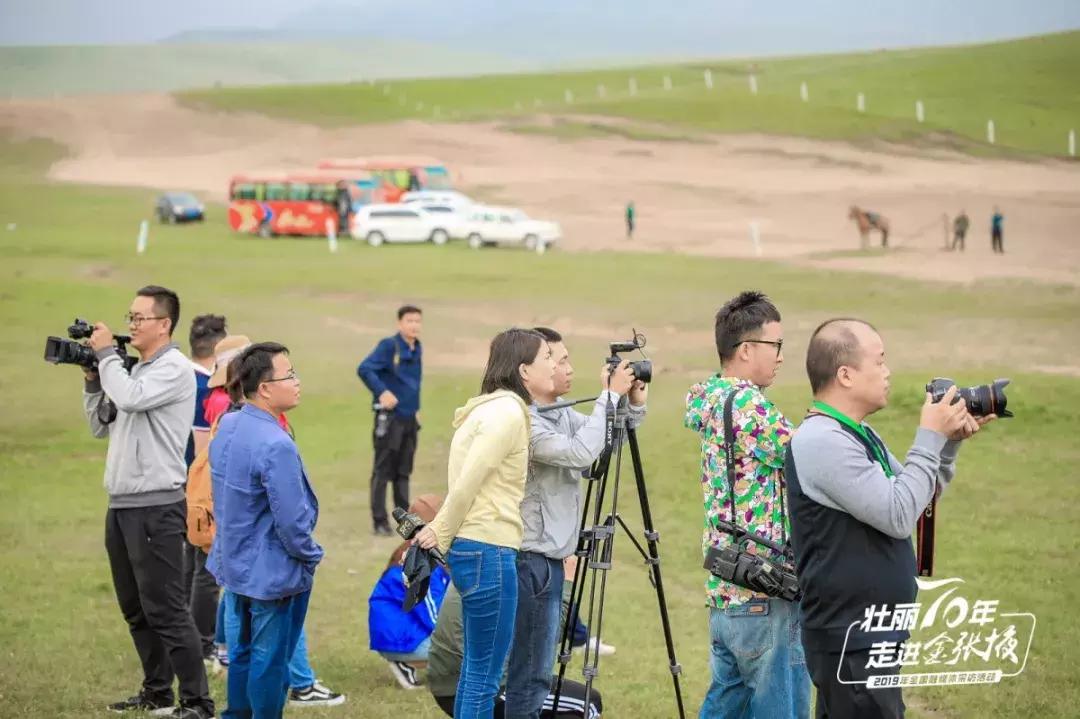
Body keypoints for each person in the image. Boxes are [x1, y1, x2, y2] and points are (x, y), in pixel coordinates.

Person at [786, 319, 994, 718]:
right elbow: (898, 516)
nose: (888, 372)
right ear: (845, 374)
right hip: (851, 636)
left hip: (869, 633)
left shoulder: (856, 433)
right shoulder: (821, 440)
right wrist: (928, 437)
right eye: (879, 361)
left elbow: (914, 497)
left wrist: (945, 446)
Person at [82, 285, 215, 718]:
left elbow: (130, 399)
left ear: (165, 324)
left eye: (140, 318)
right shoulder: (134, 371)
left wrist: (105, 359)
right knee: (136, 608)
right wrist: (91, 380)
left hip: (156, 506)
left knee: (168, 609)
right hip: (121, 504)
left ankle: (197, 702)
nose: (131, 324)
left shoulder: (172, 369)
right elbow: (102, 425)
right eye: (130, 316)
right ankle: (157, 692)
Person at [415, 328, 555, 719]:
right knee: (484, 676)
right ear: (524, 370)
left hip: (477, 548)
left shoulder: (489, 408)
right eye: (547, 357)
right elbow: (469, 480)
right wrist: (438, 532)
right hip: (488, 549)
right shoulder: (508, 413)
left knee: (476, 673)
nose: (554, 364)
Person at [683, 290, 810, 719]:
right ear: (746, 350)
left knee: (725, 705)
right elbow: (808, 458)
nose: (780, 357)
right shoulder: (749, 405)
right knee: (782, 708)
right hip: (764, 588)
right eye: (775, 345)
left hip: (725, 590)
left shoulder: (711, 399)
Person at [505, 327, 644, 719]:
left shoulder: (560, 410)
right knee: (530, 677)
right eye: (556, 359)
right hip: (530, 562)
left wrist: (628, 406)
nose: (564, 367)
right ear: (528, 369)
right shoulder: (527, 421)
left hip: (546, 561)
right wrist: (608, 396)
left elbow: (601, 444)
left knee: (536, 673)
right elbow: (582, 454)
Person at [204, 342, 344, 708]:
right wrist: (310, 555)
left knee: (244, 655)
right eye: (289, 374)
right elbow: (293, 522)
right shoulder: (275, 442)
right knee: (271, 662)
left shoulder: (228, 425)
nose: (297, 381)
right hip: (271, 573)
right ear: (265, 388)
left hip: (235, 563)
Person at [428, 586, 603, 719]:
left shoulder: (475, 558)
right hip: (485, 691)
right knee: (589, 703)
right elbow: (547, 636)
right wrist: (566, 583)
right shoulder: (508, 569)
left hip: (448, 686)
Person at [369, 494, 451, 690]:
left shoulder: (417, 552)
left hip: (399, 634)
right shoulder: (417, 563)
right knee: (464, 645)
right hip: (398, 639)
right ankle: (405, 659)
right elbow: (434, 615)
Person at [183, 314, 228, 667]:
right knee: (207, 569)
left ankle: (184, 634)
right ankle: (201, 643)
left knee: (191, 564)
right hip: (199, 490)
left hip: (177, 486)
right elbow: (203, 451)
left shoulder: (181, 375)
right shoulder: (204, 388)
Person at [358, 305, 424, 536]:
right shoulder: (390, 346)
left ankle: (404, 520)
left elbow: (413, 383)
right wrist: (382, 392)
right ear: (400, 323)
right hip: (390, 419)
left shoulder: (417, 348)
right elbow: (365, 369)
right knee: (382, 471)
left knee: (403, 471)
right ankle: (379, 521)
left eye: (417, 321)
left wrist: (416, 409)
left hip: (409, 419)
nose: (414, 325)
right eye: (409, 321)